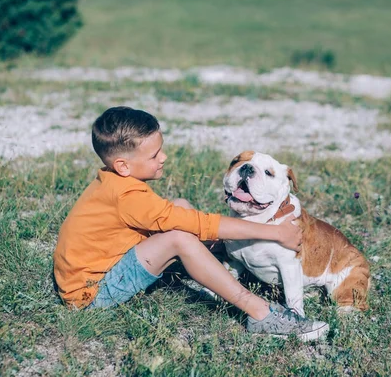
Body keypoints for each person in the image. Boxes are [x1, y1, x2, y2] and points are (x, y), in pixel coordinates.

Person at [53, 106, 329, 342]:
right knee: (180, 238)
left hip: (105, 268)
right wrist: (275, 233)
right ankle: (260, 313)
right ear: (124, 166)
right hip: (92, 293)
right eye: (154, 155)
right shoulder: (127, 195)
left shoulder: (115, 180)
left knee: (180, 206)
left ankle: (211, 268)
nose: (164, 158)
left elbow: (175, 217)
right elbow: (200, 224)